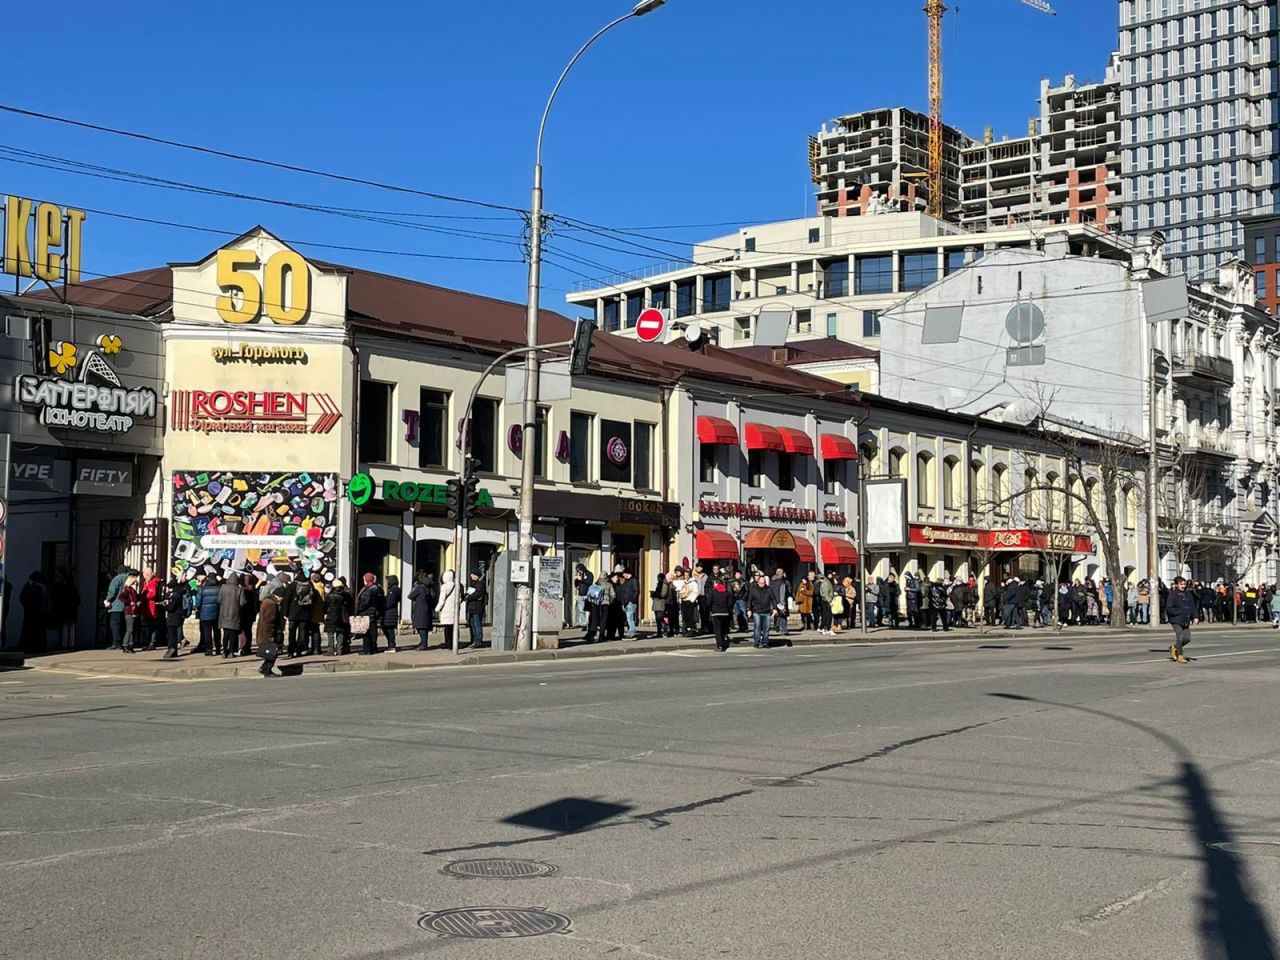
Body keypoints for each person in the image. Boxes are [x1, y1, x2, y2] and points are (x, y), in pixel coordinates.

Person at [256, 586, 287, 678]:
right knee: (272, 652)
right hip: (268, 633)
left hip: (264, 632)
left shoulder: (267, 601)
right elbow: (269, 621)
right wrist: (271, 634)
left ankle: (265, 668)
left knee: (270, 652)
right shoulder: (271, 604)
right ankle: (266, 669)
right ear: (279, 596)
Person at [1166, 576, 1197, 664]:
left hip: (1186, 619)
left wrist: (1195, 616)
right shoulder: (1172, 594)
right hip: (1176, 619)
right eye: (1181, 584)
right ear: (1176, 585)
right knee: (1180, 637)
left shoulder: (1188, 594)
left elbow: (1192, 606)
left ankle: (1174, 647)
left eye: (1184, 584)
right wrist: (1179, 612)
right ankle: (1180, 655)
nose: (1183, 586)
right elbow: (1169, 608)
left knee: (1187, 638)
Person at [354, 573, 384, 655]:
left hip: (367, 613)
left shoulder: (369, 589)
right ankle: (373, 648)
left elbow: (365, 602)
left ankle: (367, 650)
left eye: (364, 579)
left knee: (366, 632)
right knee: (372, 631)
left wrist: (358, 610)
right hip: (373, 612)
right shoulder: (377, 588)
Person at [217, 573, 244, 659]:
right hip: (235, 615)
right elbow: (242, 602)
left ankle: (224, 651)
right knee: (233, 635)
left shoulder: (223, 587)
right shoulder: (239, 589)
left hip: (224, 615)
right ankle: (231, 652)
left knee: (225, 634)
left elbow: (219, 600)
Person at [324, 577, 353, 655]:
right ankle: (339, 649)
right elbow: (350, 605)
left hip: (331, 616)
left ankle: (331, 650)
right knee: (340, 633)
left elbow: (326, 605)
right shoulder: (346, 595)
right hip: (342, 616)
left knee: (330, 633)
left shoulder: (330, 595)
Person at [104, 565, 130, 650]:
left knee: (115, 625)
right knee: (124, 625)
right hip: (126, 605)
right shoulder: (129, 578)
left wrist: (107, 600)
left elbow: (112, 591)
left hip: (116, 605)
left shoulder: (116, 579)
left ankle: (116, 643)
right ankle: (124, 642)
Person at [747, 573, 775, 649]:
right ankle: (757, 642)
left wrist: (775, 609)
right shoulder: (753, 589)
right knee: (757, 627)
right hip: (757, 611)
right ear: (758, 582)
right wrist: (749, 609)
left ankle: (765, 642)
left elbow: (773, 599)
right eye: (760, 583)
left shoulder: (769, 589)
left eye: (763, 583)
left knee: (766, 628)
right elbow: (749, 599)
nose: (762, 585)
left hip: (766, 611)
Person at [409, 572, 436, 650]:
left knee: (421, 628)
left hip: (419, 610)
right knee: (424, 628)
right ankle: (424, 642)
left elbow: (410, 596)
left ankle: (423, 644)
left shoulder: (419, 588)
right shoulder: (429, 589)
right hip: (427, 610)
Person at [707, 572, 733, 651]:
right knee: (723, 629)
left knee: (717, 630)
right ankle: (724, 642)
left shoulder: (713, 593)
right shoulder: (727, 593)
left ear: (716, 584)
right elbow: (730, 604)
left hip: (716, 613)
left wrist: (711, 610)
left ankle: (719, 646)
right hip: (725, 613)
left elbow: (708, 602)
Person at [196, 574, 221, 655]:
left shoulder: (202, 589)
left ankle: (209, 649)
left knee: (207, 632)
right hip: (217, 613)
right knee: (217, 631)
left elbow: (198, 602)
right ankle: (218, 648)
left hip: (205, 614)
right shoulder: (219, 589)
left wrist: (199, 609)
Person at [141, 568, 165, 651]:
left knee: (151, 626)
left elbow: (152, 593)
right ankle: (149, 642)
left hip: (150, 607)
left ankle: (151, 643)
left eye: (144, 574)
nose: (143, 575)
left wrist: (143, 596)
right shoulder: (149, 581)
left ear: (148, 574)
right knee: (150, 626)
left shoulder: (152, 582)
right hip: (148, 607)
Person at [434, 570, 458, 650]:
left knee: (447, 628)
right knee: (453, 627)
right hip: (454, 609)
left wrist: (437, 609)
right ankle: (453, 643)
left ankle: (448, 643)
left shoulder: (444, 587)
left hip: (446, 609)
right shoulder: (456, 585)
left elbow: (442, 599)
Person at [119, 572, 141, 654]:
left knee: (131, 629)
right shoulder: (128, 590)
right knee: (129, 629)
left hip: (134, 611)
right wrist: (129, 602)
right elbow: (120, 597)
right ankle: (125, 645)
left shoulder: (133, 591)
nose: (136, 584)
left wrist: (137, 602)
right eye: (135, 583)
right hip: (129, 611)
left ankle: (130, 645)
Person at [463, 571, 486, 648]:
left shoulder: (480, 584)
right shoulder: (473, 584)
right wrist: (464, 596)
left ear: (477, 576)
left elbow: (478, 595)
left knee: (477, 624)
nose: (471, 576)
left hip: (477, 607)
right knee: (472, 625)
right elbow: (468, 593)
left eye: (473, 575)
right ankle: (473, 640)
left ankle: (478, 641)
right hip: (471, 607)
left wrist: (468, 597)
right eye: (471, 574)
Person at [239, 574, 260, 656]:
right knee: (248, 631)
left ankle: (243, 647)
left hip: (243, 613)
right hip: (251, 614)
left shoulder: (243, 591)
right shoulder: (255, 592)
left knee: (242, 631)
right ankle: (247, 647)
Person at [381, 574, 402, 652]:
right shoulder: (393, 589)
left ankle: (392, 646)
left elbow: (390, 602)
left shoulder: (393, 590)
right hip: (390, 612)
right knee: (386, 628)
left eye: (388, 581)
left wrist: (383, 606)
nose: (387, 583)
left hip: (390, 613)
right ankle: (391, 645)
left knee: (389, 629)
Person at [618, 569, 640, 639]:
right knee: (628, 618)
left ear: (628, 573)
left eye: (624, 574)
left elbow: (636, 591)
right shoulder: (626, 581)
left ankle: (632, 632)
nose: (623, 575)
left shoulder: (634, 580)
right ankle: (629, 632)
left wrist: (632, 600)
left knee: (630, 618)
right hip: (625, 602)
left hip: (630, 603)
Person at [679, 570, 702, 637]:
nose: (686, 577)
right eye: (685, 575)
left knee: (690, 616)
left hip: (690, 601)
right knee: (685, 616)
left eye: (687, 575)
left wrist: (691, 600)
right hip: (684, 600)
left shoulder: (693, 582)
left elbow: (696, 592)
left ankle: (691, 630)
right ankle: (686, 629)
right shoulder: (683, 582)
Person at [770, 568, 793, 636]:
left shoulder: (772, 581)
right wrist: (783, 603)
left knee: (777, 614)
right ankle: (784, 629)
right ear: (781, 574)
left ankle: (777, 626)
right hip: (780, 600)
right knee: (783, 615)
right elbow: (782, 593)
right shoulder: (782, 582)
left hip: (773, 600)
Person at [650, 572, 672, 637]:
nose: (658, 579)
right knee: (657, 619)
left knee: (661, 618)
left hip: (661, 603)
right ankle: (659, 632)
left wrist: (655, 594)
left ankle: (665, 631)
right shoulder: (659, 584)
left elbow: (663, 594)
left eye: (659, 577)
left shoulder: (664, 584)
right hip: (656, 603)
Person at [572, 564, 593, 629]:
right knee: (581, 610)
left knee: (587, 610)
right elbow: (576, 583)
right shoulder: (579, 574)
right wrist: (576, 582)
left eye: (580, 570)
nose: (579, 571)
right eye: (578, 570)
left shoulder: (589, 574)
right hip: (580, 594)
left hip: (587, 594)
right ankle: (583, 624)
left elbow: (589, 582)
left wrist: (581, 579)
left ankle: (588, 623)